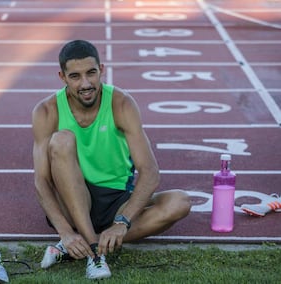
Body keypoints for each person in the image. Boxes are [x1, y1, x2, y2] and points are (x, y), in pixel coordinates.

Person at [31, 39, 191, 280]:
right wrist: (64, 231)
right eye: (75, 76)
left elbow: (150, 172)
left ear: (102, 70)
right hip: (72, 195)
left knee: (180, 202)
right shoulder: (46, 111)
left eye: (91, 73)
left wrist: (122, 222)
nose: (85, 84)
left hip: (117, 202)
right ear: (62, 77)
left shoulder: (122, 104)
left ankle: (83, 242)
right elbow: (42, 181)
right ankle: (95, 255)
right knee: (62, 140)